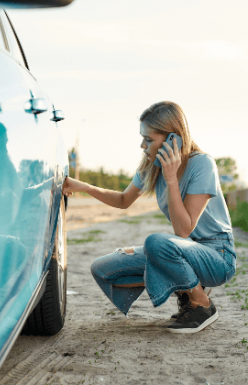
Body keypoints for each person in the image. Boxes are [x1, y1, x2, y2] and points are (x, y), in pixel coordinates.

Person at [62, 101, 236, 334]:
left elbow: (183, 230)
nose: (142, 145)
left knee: (156, 243)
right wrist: (84, 186)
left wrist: (171, 178)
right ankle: (186, 285)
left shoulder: (202, 164)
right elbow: (124, 200)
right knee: (103, 268)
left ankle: (201, 304)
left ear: (174, 139)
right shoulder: (151, 166)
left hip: (216, 255)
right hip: (181, 251)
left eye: (149, 139)